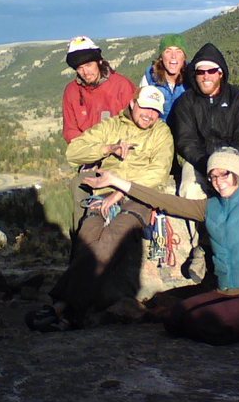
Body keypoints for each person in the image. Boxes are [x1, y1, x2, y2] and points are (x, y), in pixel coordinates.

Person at [83, 83, 239, 345]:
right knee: (174, 317)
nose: (218, 180)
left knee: (210, 323)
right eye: (213, 176)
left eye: (225, 174)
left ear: (237, 175)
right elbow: (164, 200)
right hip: (224, 294)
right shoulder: (208, 207)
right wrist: (116, 181)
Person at [28, 86, 174, 331]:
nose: (149, 115)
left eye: (155, 111)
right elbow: (73, 151)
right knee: (88, 235)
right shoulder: (112, 127)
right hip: (103, 194)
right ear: (133, 104)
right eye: (146, 107)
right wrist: (109, 148)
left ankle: (62, 307)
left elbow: (158, 172)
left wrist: (121, 189)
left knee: (114, 236)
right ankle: (72, 313)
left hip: (138, 196)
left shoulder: (161, 133)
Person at [169, 42, 239, 200]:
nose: (206, 76)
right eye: (201, 72)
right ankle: (202, 224)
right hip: (198, 161)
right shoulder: (185, 102)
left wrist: (226, 164)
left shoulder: (238, 98)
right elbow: (185, 140)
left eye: (212, 70)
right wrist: (208, 164)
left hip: (234, 158)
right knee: (189, 191)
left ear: (220, 73)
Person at [62, 35, 136, 143]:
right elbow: (70, 129)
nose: (85, 72)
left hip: (118, 148)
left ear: (99, 62)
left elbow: (133, 123)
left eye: (89, 65)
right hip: (87, 150)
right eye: (80, 68)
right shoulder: (71, 91)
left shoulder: (121, 85)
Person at [140, 33, 188, 122]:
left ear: (184, 57)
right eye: (168, 51)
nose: (173, 56)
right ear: (161, 57)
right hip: (158, 132)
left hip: (185, 132)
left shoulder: (192, 79)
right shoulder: (150, 78)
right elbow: (140, 110)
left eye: (178, 51)